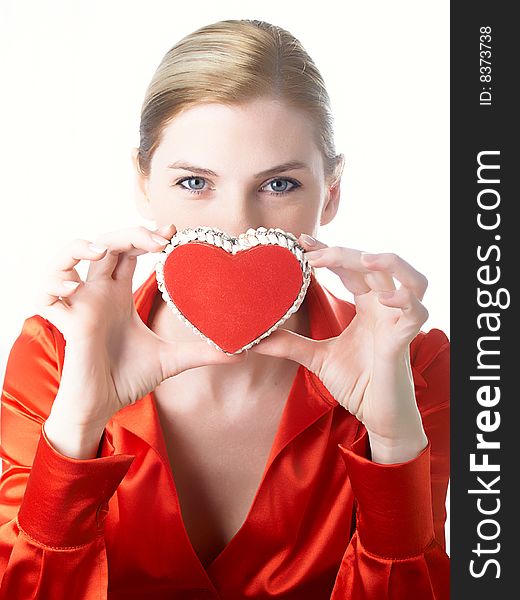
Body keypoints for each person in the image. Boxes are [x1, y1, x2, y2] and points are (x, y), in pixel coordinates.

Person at [0, 18, 449, 599]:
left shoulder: (413, 368)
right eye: (194, 182)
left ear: (331, 192)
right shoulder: (56, 357)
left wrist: (391, 446)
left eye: (280, 185)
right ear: (142, 183)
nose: (237, 226)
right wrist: (80, 424)